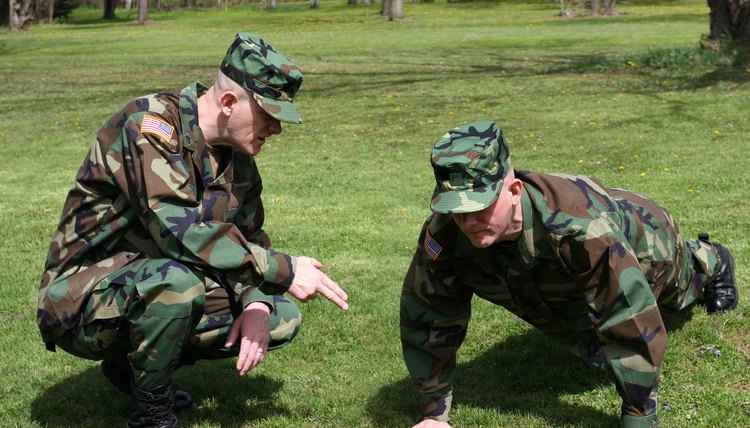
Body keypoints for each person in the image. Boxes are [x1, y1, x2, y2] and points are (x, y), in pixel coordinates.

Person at [37, 32, 349, 428]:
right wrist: (282, 271)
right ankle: (152, 412)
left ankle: (130, 366)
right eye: (269, 116)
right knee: (177, 284)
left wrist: (256, 301)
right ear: (230, 102)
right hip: (80, 297)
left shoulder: (239, 163)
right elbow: (180, 232)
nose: (276, 130)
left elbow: (248, 238)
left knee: (278, 317)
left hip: (148, 282)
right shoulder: (148, 126)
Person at [400, 120, 739, 428]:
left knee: (678, 292)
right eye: (456, 209)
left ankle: (712, 258)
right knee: (590, 338)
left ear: (514, 191)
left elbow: (629, 315)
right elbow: (430, 315)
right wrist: (434, 415)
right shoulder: (445, 233)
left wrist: (639, 415)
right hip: (572, 251)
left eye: (479, 207)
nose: (467, 222)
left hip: (648, 239)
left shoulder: (581, 231)